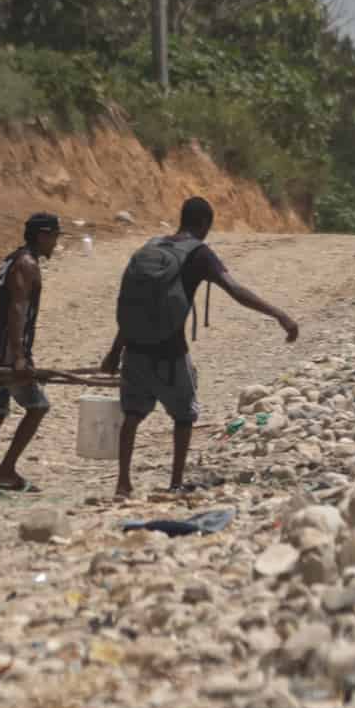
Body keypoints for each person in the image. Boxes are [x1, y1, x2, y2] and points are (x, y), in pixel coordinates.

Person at [101, 196, 297, 499]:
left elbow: (134, 306)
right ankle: (175, 483)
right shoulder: (199, 254)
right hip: (170, 350)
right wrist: (279, 314)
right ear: (205, 224)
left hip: (135, 347)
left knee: (133, 414)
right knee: (183, 415)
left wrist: (115, 352)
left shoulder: (153, 248)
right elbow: (235, 290)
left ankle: (122, 484)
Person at [0, 212, 62, 498]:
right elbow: (17, 309)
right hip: (6, 356)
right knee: (38, 406)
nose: (56, 242)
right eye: (55, 236)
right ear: (43, 235)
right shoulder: (26, 264)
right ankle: (5, 470)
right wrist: (19, 356)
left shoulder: (13, 259)